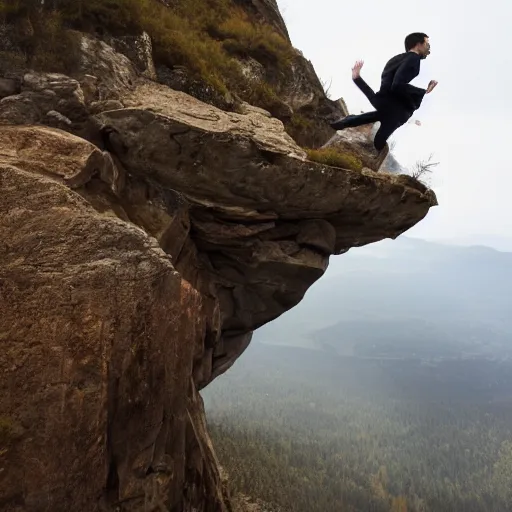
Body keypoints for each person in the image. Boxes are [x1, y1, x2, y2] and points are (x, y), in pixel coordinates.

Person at [330, 32, 438, 155]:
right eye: (427, 44)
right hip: (395, 109)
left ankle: (339, 124)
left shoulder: (396, 58)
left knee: (371, 117)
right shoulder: (413, 59)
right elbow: (397, 84)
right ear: (418, 44)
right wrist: (423, 92)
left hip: (383, 101)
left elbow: (388, 83)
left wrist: (357, 79)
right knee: (379, 143)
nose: (428, 47)